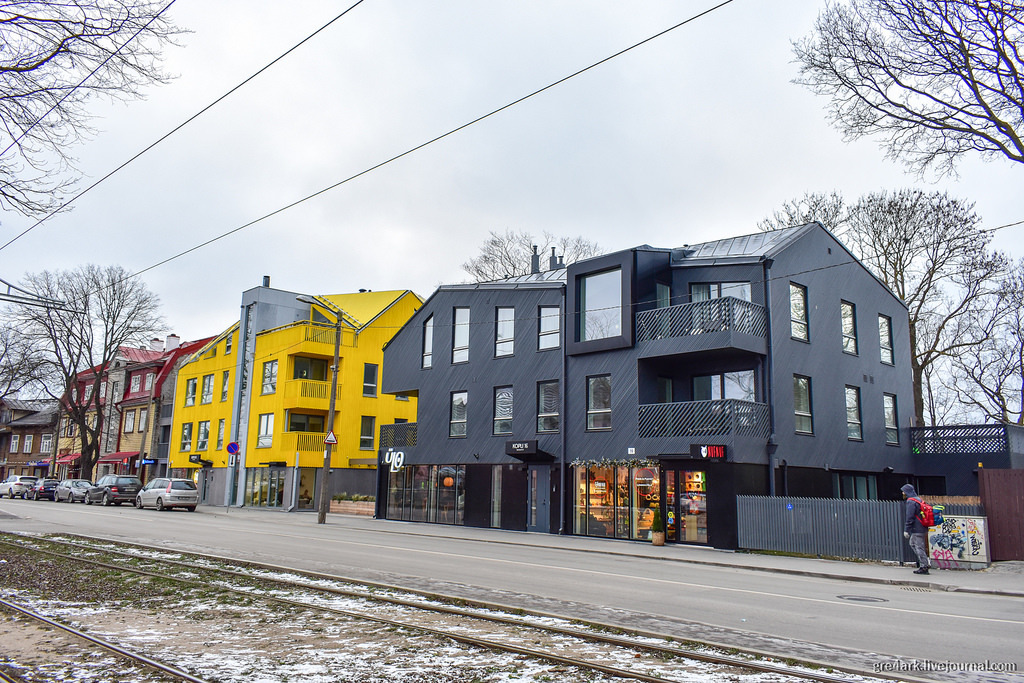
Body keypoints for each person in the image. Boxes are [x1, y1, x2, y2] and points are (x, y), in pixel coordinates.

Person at [901, 483, 931, 575]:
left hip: (917, 528)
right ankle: (925, 562)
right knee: (912, 544)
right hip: (922, 527)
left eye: (903, 491)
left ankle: (924, 566)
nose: (902, 493)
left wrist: (906, 530)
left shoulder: (911, 501)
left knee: (919, 547)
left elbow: (910, 517)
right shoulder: (918, 499)